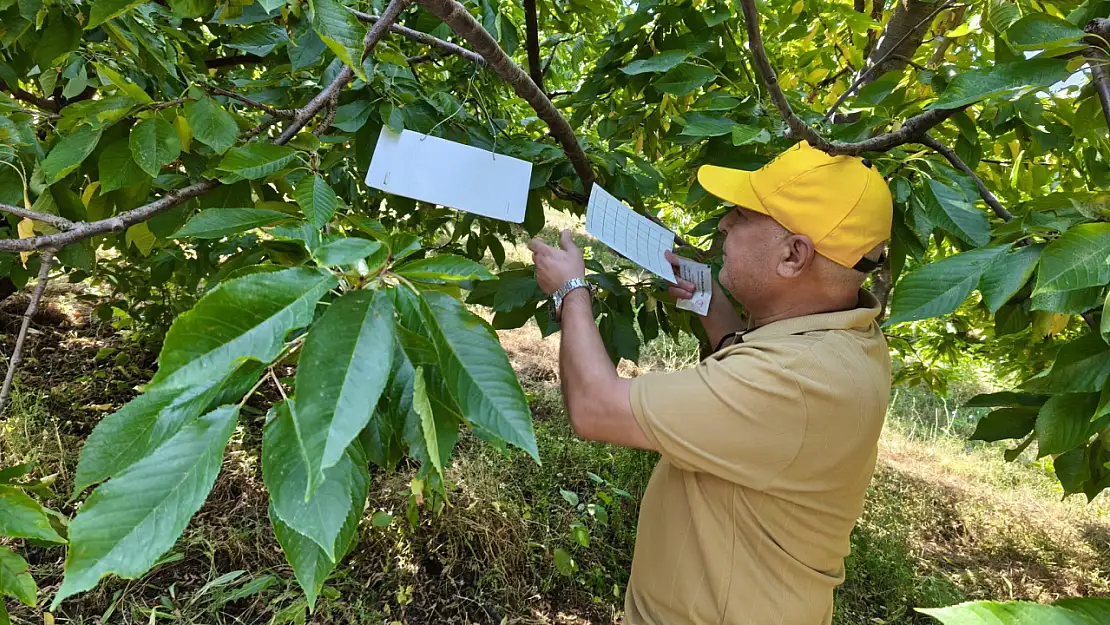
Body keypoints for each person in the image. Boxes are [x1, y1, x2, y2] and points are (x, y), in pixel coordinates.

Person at [527, 141, 894, 625]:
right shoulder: (849, 336)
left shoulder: (794, 381)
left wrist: (572, 292)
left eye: (741, 215)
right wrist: (712, 305)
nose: (723, 224)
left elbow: (596, 407)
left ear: (793, 255)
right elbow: (758, 398)